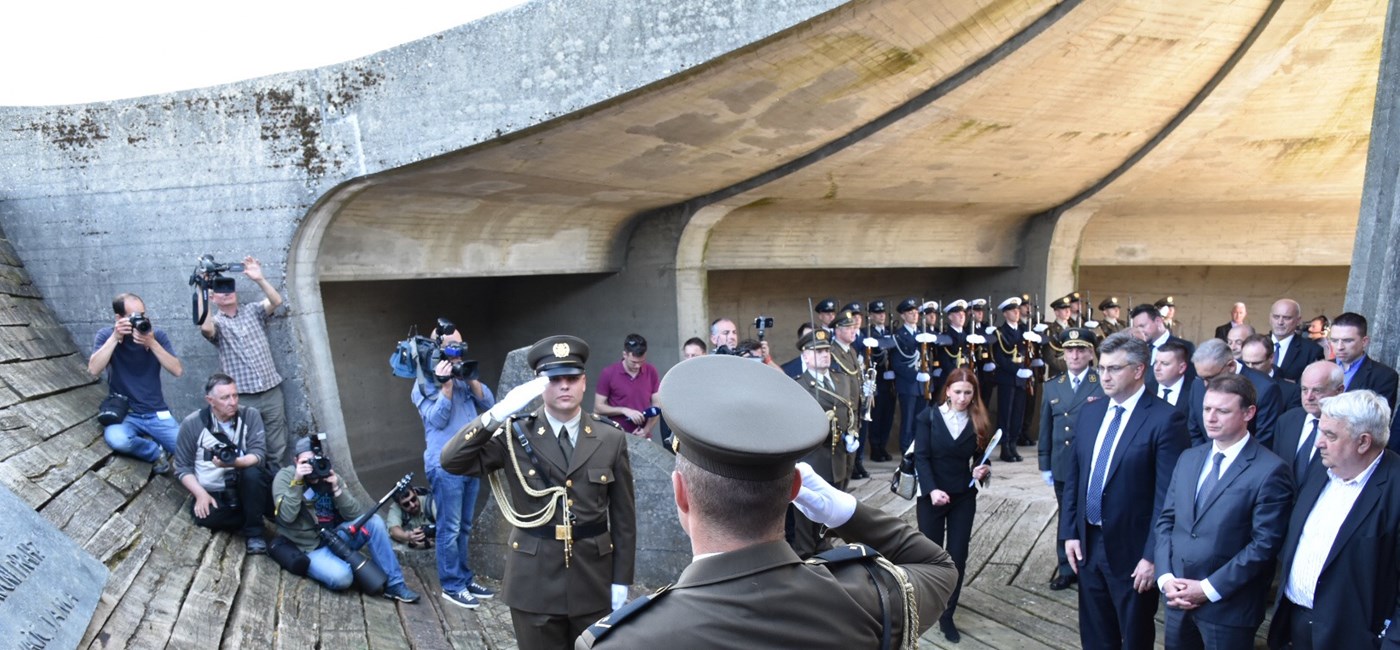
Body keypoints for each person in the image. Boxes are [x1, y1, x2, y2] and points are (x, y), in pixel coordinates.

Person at [575, 354, 960, 649]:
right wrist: (846, 511)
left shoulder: (625, 642)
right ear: (795, 489)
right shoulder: (868, 597)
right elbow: (938, 567)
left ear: (681, 492)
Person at [441, 335, 635, 650]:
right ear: (538, 384)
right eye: (553, 379)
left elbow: (624, 517)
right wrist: (496, 414)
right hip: (534, 581)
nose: (564, 386)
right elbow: (451, 461)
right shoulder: (514, 434)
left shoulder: (609, 438)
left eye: (571, 378)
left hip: (594, 579)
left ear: (584, 383)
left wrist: (621, 578)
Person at [1061, 332, 1189, 650]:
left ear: (1138, 369)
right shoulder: (1090, 413)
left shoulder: (1165, 419)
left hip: (1134, 553)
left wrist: (1152, 556)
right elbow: (1074, 480)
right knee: (1094, 633)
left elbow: (1168, 499)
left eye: (1114, 369)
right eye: (1102, 368)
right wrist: (1070, 533)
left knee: (1134, 636)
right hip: (1088, 543)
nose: (1104, 376)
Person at [1153, 374, 1293, 650]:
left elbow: (1264, 545)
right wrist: (1166, 577)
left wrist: (1206, 589)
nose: (1211, 418)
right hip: (1177, 598)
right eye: (1207, 409)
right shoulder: (1189, 457)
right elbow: (1167, 520)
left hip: (1228, 608)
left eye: (1223, 411)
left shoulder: (1271, 470)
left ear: (1249, 413)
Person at [1268, 390, 1400, 650]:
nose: (1318, 443)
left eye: (1330, 435)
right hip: (1294, 628)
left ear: (1363, 442)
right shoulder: (1322, 467)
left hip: (1355, 639)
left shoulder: (1395, 489)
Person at [410, 318, 497, 609]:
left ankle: (464, 576)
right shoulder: (422, 384)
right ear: (437, 349)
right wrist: (446, 386)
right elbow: (437, 419)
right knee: (449, 527)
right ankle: (451, 585)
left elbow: (489, 404)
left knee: (465, 526)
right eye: (451, 346)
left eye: (460, 345)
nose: (457, 351)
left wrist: (469, 376)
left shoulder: (462, 377)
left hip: (471, 460)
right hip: (444, 465)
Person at [271, 436, 421, 602]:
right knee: (343, 578)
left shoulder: (327, 474)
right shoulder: (285, 477)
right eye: (306, 462)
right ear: (296, 460)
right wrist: (298, 481)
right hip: (309, 548)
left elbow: (356, 515)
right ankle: (335, 568)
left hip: (336, 537)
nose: (312, 466)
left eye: (316, 461)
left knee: (374, 522)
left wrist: (336, 489)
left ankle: (395, 585)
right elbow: (286, 516)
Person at [914, 367, 993, 643]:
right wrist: (932, 489)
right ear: (947, 390)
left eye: (968, 393)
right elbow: (920, 458)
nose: (962, 398)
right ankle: (926, 608)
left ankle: (947, 615)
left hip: (963, 497)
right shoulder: (928, 417)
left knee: (957, 556)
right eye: (957, 392)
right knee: (929, 556)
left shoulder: (978, 420)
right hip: (931, 497)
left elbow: (984, 457)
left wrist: (982, 470)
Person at [196, 255, 292, 468]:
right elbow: (206, 327)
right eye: (219, 290)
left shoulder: (253, 311)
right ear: (213, 298)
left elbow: (276, 301)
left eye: (229, 288)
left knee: (278, 445)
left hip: (270, 389)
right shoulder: (217, 323)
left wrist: (259, 278)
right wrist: (202, 288)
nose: (226, 292)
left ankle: (277, 490)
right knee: (251, 447)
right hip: (243, 397)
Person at [174, 373, 274, 554]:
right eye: (225, 397)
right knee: (204, 517)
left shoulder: (250, 415)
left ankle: (255, 533)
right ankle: (252, 514)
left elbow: (259, 455)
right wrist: (200, 494)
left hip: (245, 484)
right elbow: (182, 467)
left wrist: (235, 463)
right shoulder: (192, 423)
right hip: (216, 491)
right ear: (210, 400)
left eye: (235, 395)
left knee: (254, 474)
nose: (233, 402)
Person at [88, 292, 184, 472]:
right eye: (134, 316)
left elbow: (177, 370)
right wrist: (115, 338)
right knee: (119, 440)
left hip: (156, 412)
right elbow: (93, 370)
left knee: (187, 450)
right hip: (126, 413)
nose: (140, 320)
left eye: (143, 314)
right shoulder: (106, 335)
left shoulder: (157, 335)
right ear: (119, 318)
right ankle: (155, 452)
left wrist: (153, 344)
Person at [1039, 327, 1103, 591]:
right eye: (1069, 350)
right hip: (1063, 463)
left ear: (1091, 353)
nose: (1075, 355)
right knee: (1067, 515)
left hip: (1093, 464)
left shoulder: (1101, 382)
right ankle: (1066, 567)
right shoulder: (1053, 386)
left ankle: (1090, 565)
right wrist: (1045, 462)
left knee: (1093, 515)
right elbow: (1045, 427)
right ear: (1062, 355)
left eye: (1081, 350)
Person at [789, 328, 855, 556]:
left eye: (827, 350)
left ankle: (827, 559)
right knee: (807, 524)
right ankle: (807, 563)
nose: (825, 355)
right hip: (813, 459)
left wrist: (852, 433)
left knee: (829, 521)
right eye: (818, 351)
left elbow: (850, 410)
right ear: (805, 356)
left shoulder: (841, 379)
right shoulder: (799, 385)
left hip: (839, 457)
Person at [1188, 339, 1282, 449]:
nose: (1205, 384)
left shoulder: (1265, 388)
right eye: (1201, 377)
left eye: (1211, 378)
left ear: (1231, 366)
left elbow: (1264, 439)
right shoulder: (1197, 384)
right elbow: (1195, 430)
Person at [1271, 361, 1343, 487]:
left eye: (1317, 390)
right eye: (1304, 389)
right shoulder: (1287, 420)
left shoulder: (1346, 428)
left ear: (1339, 391)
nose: (1309, 397)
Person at [991, 296, 1035, 462]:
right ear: (1005, 313)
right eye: (1012, 310)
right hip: (1008, 379)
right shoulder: (1000, 333)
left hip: (1022, 380)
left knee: (1018, 413)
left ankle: (1014, 445)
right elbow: (1000, 358)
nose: (1017, 312)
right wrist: (1017, 371)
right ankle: (1005, 448)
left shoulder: (1025, 330)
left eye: (1018, 310)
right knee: (1006, 415)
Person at [594, 334, 661, 439]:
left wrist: (646, 429)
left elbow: (657, 406)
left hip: (643, 437)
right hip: (616, 437)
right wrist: (624, 410)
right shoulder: (608, 373)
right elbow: (598, 408)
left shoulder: (651, 371)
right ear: (624, 354)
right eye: (633, 362)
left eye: (641, 361)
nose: (638, 366)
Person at [1329, 312, 1399, 411]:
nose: (1339, 347)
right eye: (1334, 341)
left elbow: (1378, 419)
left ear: (1364, 341)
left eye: (1348, 340)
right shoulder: (1320, 367)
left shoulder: (1384, 376)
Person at [1269, 299, 1326, 382]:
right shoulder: (1254, 344)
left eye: (1287, 318)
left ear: (1298, 320)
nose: (1280, 322)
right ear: (1270, 317)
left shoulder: (1312, 351)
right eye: (1276, 317)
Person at [1242, 334, 1302, 410]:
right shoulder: (1234, 382)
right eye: (1246, 363)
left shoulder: (1291, 391)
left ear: (1271, 358)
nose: (1250, 368)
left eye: (1256, 363)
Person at [387, 485, 437, 549]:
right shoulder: (396, 508)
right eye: (406, 504)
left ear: (415, 493)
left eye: (413, 499)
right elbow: (393, 530)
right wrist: (408, 536)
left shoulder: (430, 502)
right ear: (399, 505)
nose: (412, 505)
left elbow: (445, 526)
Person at [1154, 340, 1193, 416]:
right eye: (1155, 362)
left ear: (1181, 368)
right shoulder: (1145, 388)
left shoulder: (1194, 392)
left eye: (1165, 363)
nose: (1157, 368)